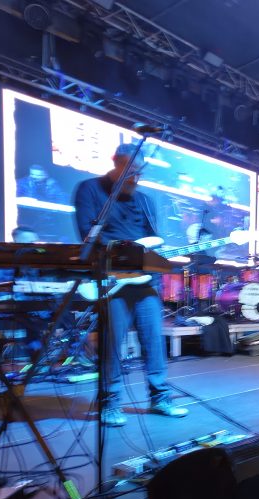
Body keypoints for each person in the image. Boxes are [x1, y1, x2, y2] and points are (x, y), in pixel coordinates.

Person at [74, 143, 186, 426]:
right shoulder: (90, 189)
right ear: (116, 163)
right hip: (113, 279)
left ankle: (160, 398)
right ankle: (110, 403)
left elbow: (153, 240)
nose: (135, 177)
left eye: (139, 172)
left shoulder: (145, 201)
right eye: (130, 170)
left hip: (145, 281)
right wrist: (126, 251)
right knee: (112, 344)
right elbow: (88, 234)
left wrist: (157, 261)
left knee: (154, 342)